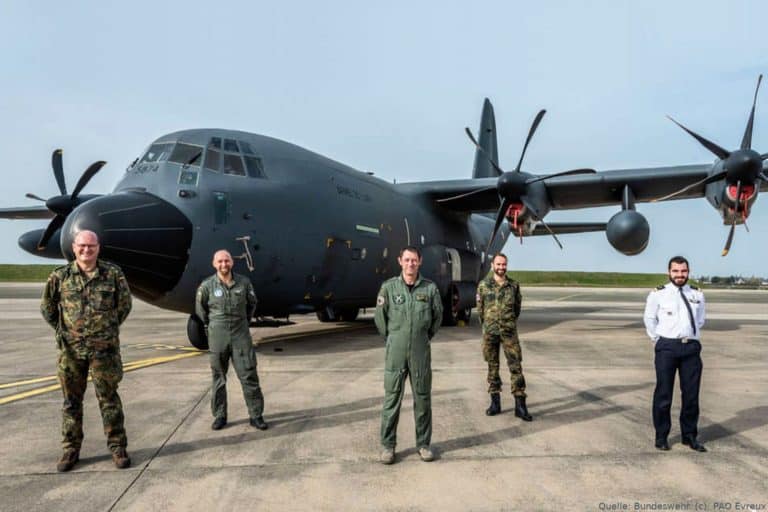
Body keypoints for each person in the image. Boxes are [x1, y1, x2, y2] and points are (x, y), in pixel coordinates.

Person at [41, 230, 133, 472]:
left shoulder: (113, 274)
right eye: (82, 246)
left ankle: (117, 447)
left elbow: (124, 306)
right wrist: (65, 333)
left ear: (98, 248)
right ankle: (70, 449)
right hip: (71, 352)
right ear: (74, 247)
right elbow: (47, 308)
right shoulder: (60, 277)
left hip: (105, 351)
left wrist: (105, 330)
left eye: (91, 246)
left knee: (109, 399)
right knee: (71, 402)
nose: (86, 250)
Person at [375, 246, 443, 464]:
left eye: (414, 260)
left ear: (420, 262)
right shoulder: (389, 288)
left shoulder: (430, 289)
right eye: (407, 260)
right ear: (400, 261)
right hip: (395, 351)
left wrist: (421, 338)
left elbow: (436, 318)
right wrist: (394, 339)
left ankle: (423, 445)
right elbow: (380, 319)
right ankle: (387, 446)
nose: (410, 264)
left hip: (420, 352)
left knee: (422, 400)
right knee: (391, 400)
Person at [196, 249, 267, 431]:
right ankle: (220, 415)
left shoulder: (244, 283)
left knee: (249, 375)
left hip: (240, 334)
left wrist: (242, 322)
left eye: (226, 261)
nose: (224, 264)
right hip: (218, 336)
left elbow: (252, 304)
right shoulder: (206, 286)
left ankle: (256, 415)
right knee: (218, 378)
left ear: (232, 262)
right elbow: (201, 311)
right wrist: (211, 328)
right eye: (220, 261)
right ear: (214, 264)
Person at [644, 255, 706, 452]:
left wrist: (689, 337)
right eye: (676, 271)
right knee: (664, 394)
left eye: (683, 271)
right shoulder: (658, 294)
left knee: (691, 396)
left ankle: (689, 436)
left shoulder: (697, 294)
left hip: (691, 349)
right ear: (668, 272)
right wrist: (659, 340)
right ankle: (661, 436)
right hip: (667, 349)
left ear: (688, 272)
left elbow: (700, 320)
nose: (680, 275)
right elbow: (649, 319)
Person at [476, 253, 532, 421]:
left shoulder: (513, 286)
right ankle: (495, 403)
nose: (501, 267)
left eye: (504, 265)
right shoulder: (483, 285)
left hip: (509, 332)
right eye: (498, 264)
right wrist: (488, 325)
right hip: (490, 332)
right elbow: (480, 310)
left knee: (516, 366)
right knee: (492, 366)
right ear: (493, 265)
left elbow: (517, 308)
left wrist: (508, 322)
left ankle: (520, 405)